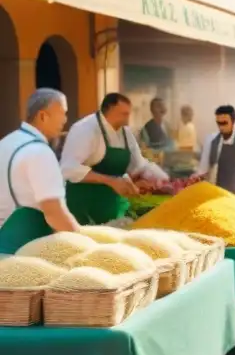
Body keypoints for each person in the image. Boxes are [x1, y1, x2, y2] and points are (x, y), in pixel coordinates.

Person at [60, 93, 168, 224]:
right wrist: (111, 181)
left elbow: (139, 165)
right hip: (84, 208)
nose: (127, 119)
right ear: (110, 109)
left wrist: (162, 180)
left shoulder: (126, 133)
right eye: (123, 114)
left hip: (114, 208)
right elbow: (68, 169)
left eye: (128, 114)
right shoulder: (85, 129)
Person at [0, 89, 80, 253]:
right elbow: (54, 213)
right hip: (24, 251)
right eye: (62, 113)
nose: (65, 120)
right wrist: (83, 243)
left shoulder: (6, 142)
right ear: (43, 116)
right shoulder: (40, 152)